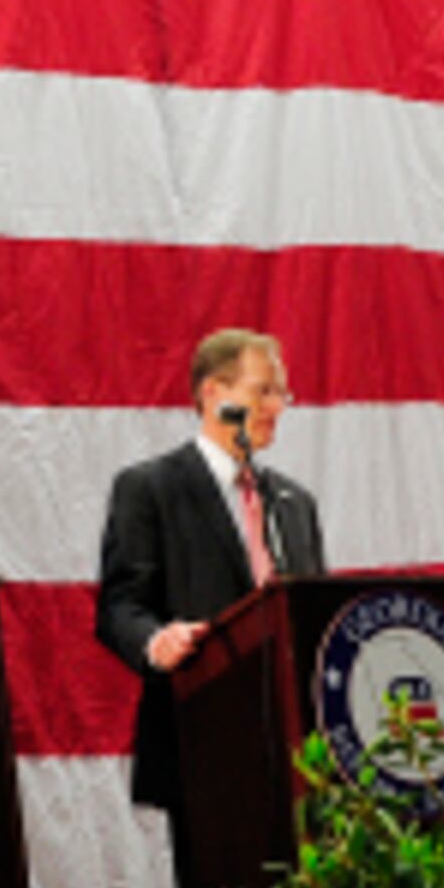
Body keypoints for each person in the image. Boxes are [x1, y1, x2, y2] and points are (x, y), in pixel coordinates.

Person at [95, 329, 326, 822]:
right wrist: (156, 641)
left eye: (281, 393)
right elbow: (119, 607)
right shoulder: (151, 489)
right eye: (263, 391)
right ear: (213, 394)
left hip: (298, 752)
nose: (277, 407)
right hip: (202, 735)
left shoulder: (293, 504)